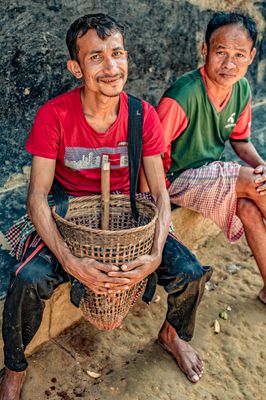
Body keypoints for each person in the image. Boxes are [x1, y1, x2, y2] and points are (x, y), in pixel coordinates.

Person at [0, 13, 212, 400]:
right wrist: (69, 260)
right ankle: (15, 367)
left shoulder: (141, 115)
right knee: (27, 281)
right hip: (69, 219)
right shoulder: (55, 115)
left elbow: (160, 194)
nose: (112, 67)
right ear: (75, 68)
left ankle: (172, 334)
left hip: (128, 218)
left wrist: (154, 252)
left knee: (191, 273)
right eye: (96, 57)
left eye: (117, 53)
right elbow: (36, 197)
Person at [157, 12, 266, 314]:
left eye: (239, 55)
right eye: (221, 53)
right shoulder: (184, 95)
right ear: (205, 50)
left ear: (251, 57)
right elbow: (151, 155)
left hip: (209, 174)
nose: (229, 64)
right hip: (176, 178)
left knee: (250, 205)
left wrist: (261, 165)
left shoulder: (241, 88)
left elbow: (241, 140)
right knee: (254, 184)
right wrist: (156, 203)